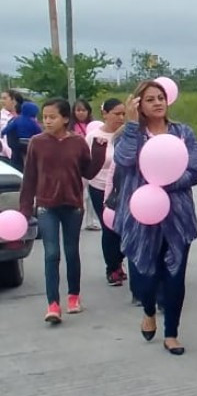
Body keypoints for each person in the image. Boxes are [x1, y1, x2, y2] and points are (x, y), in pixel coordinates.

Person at [113, 80, 197, 356]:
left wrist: (165, 182)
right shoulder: (131, 133)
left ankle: (172, 333)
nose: (157, 102)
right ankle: (149, 310)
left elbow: (195, 171)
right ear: (139, 104)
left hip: (177, 216)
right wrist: (130, 126)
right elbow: (124, 160)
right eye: (150, 99)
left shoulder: (182, 133)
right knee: (145, 277)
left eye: (161, 97)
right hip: (141, 216)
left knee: (175, 275)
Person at [18, 99, 107, 322]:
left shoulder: (77, 142)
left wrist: (98, 151)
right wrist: (25, 209)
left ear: (65, 119)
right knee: (51, 253)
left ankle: (74, 297)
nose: (47, 121)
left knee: (71, 252)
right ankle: (53, 304)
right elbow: (29, 178)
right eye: (44, 117)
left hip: (72, 205)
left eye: (52, 117)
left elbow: (88, 171)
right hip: (47, 205)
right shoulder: (37, 143)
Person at [86, 98, 127, 286]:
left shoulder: (128, 134)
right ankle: (113, 268)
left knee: (124, 229)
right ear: (105, 114)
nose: (121, 117)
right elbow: (85, 164)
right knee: (109, 228)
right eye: (117, 114)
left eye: (123, 114)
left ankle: (119, 259)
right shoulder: (93, 136)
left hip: (122, 188)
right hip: (99, 187)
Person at [73, 100, 102, 231]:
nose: (81, 113)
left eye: (83, 110)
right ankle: (76, 218)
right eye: (78, 110)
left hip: (90, 162)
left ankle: (90, 220)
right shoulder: (71, 126)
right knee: (79, 192)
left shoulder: (95, 126)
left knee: (90, 194)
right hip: (75, 163)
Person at [2, 99, 42, 170]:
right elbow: (39, 131)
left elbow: (9, 128)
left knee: (17, 159)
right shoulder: (33, 122)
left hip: (19, 142)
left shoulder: (16, 119)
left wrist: (2, 133)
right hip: (29, 142)